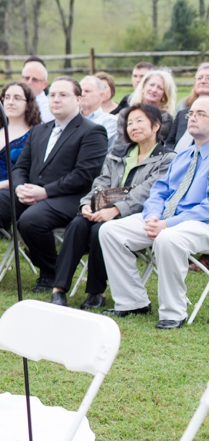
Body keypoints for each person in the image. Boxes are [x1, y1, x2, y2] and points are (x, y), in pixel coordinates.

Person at [0, 77, 108, 289]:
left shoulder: (92, 131)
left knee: (31, 221)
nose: (56, 99)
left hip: (68, 197)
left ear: (78, 99)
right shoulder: (40, 131)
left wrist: (45, 192)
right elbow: (21, 167)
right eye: (53, 95)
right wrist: (19, 187)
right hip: (30, 192)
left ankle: (50, 272)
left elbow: (84, 175)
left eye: (63, 95)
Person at [49, 104, 175, 309]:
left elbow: (147, 191)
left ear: (156, 125)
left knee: (100, 231)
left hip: (134, 215)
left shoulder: (167, 158)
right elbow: (101, 183)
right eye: (130, 123)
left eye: (139, 121)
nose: (133, 126)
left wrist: (116, 210)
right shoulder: (118, 154)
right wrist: (86, 205)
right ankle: (58, 289)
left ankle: (96, 292)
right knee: (78, 224)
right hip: (103, 208)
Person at [100, 96, 209, 329]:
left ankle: (173, 312)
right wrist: (152, 216)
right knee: (110, 230)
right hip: (165, 218)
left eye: (201, 114)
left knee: (169, 238)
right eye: (192, 113)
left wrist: (168, 225)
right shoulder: (184, 155)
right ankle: (132, 302)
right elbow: (159, 191)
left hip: (201, 223)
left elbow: (207, 207)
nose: (193, 118)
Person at [113, 68, 176, 150]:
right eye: (151, 85)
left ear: (164, 95)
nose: (154, 90)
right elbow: (120, 143)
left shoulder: (165, 118)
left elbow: (152, 145)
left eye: (160, 88)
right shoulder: (125, 114)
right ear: (143, 87)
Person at [165, 63, 209, 147]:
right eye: (199, 78)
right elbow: (170, 143)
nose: (203, 81)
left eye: (208, 78)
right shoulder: (182, 110)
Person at [80, 75, 119, 146]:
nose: (82, 94)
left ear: (102, 95)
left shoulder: (110, 121)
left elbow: (99, 147)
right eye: (80, 91)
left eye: (87, 91)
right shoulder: (69, 117)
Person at [21, 58, 54, 123]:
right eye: (26, 78)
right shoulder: (10, 100)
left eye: (35, 80)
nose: (29, 82)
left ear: (44, 84)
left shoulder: (48, 107)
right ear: (21, 79)